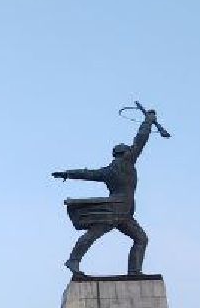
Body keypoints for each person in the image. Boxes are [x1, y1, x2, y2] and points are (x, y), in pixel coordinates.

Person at [51, 106, 160, 275]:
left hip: (123, 211)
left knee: (140, 239)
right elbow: (141, 139)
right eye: (129, 151)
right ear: (125, 153)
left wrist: (68, 173)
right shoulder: (126, 163)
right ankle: (73, 260)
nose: (132, 151)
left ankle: (134, 272)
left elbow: (88, 174)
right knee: (97, 234)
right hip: (117, 209)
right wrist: (148, 120)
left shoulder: (109, 170)